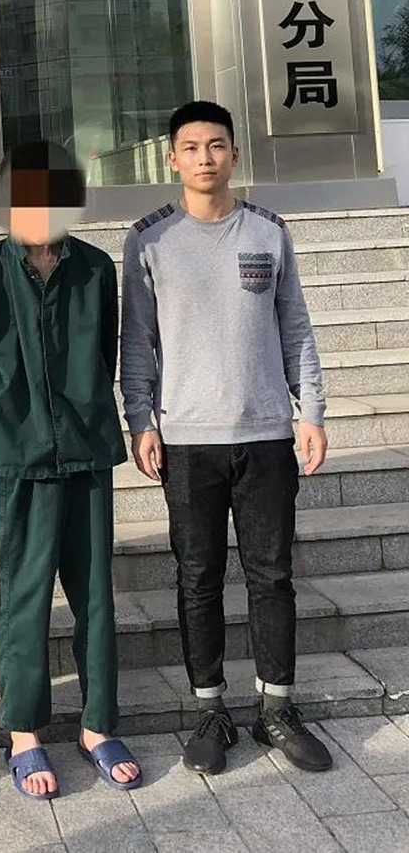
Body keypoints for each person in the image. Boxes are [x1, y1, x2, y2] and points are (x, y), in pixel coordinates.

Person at [120, 99, 332, 776]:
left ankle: (277, 709)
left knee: (272, 575)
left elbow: (295, 326)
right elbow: (137, 340)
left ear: (234, 154)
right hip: (187, 440)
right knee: (198, 577)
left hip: (266, 432)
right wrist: (140, 419)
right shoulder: (149, 240)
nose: (205, 157)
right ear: (172, 159)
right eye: (191, 147)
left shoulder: (268, 231)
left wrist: (311, 411)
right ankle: (210, 710)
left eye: (216, 145)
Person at [0, 141, 141, 800]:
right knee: (24, 593)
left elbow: (105, 355)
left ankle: (97, 725)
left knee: (94, 592)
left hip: (87, 446)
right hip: (19, 454)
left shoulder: (95, 268)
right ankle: (24, 732)